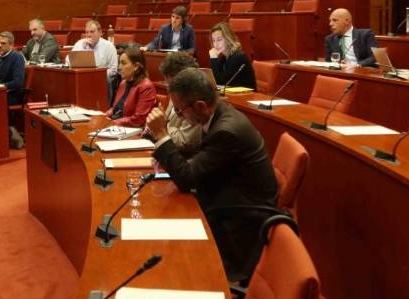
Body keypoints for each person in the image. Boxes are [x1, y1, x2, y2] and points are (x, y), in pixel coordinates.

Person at [145, 68, 279, 275]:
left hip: (240, 221)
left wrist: (162, 135)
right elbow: (203, 160)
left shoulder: (226, 130)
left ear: (200, 105)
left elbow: (187, 178)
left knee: (167, 253)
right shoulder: (220, 114)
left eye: (180, 111)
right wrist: (167, 155)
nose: (179, 116)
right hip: (228, 197)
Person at [159, 52, 202, 151]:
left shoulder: (195, 100)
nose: (167, 86)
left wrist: (161, 127)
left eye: (169, 82)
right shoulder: (176, 92)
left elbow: (184, 141)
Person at [106, 46, 157, 127]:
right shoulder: (123, 83)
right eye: (119, 63)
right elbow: (115, 109)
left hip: (133, 131)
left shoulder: (146, 87)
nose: (119, 67)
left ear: (136, 66)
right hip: (117, 127)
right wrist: (104, 116)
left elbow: (139, 119)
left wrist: (112, 123)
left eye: (123, 63)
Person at [209, 22, 256, 89]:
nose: (216, 44)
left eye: (219, 40)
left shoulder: (238, 57)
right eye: (213, 40)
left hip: (246, 96)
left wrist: (213, 58)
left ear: (228, 38)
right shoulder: (224, 58)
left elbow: (220, 81)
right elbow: (215, 81)